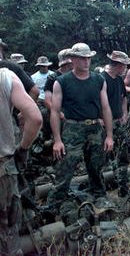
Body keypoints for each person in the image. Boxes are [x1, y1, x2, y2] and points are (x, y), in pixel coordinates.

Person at [48, 43, 114, 204]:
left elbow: (105, 108)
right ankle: (57, 202)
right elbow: (55, 112)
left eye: (88, 58)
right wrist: (57, 140)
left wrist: (110, 136)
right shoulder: (62, 81)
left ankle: (99, 195)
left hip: (94, 128)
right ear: (73, 59)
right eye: (82, 58)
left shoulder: (99, 80)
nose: (86, 62)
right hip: (72, 128)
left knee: (96, 166)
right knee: (66, 167)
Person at [0, 68, 42, 255]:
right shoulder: (5, 76)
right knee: (8, 230)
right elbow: (35, 117)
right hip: (3, 167)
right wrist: (23, 148)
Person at [102, 50, 130, 197]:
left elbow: (123, 98)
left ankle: (123, 188)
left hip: (119, 122)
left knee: (122, 155)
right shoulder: (102, 78)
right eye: (124, 65)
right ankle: (103, 190)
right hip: (104, 125)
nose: (125, 68)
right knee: (103, 157)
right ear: (118, 65)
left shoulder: (119, 79)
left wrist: (124, 114)